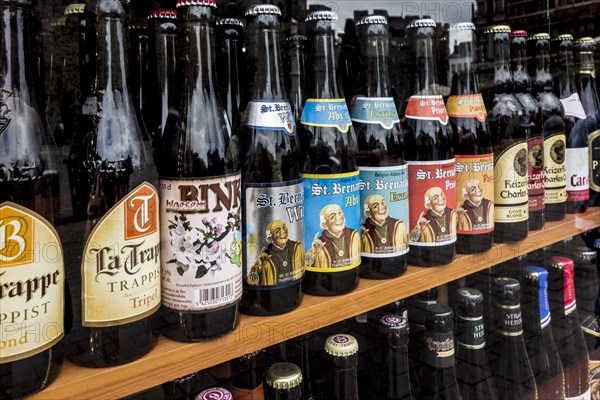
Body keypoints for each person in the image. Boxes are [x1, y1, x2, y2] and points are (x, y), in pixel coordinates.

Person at [248, 220, 303, 286]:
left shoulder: (296, 247)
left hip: (294, 287)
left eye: (284, 227)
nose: (283, 231)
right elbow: (253, 277)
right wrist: (260, 268)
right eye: (277, 231)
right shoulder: (266, 255)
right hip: (273, 292)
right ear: (271, 238)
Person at [306, 204, 360, 269]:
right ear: (324, 225)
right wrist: (313, 253)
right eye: (332, 217)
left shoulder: (353, 235)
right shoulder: (319, 244)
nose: (339, 218)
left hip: (351, 273)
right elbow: (306, 262)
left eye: (340, 213)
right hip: (325, 277)